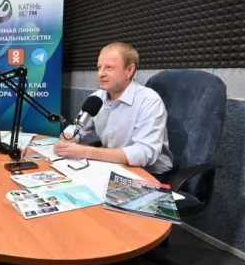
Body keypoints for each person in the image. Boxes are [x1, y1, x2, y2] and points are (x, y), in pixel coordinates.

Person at [54, 42, 173, 178]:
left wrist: (86, 151)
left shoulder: (149, 100)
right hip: (112, 166)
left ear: (129, 70)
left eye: (109, 68)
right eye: (99, 67)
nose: (100, 74)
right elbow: (77, 128)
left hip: (149, 174)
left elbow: (144, 153)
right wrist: (66, 140)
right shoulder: (96, 98)